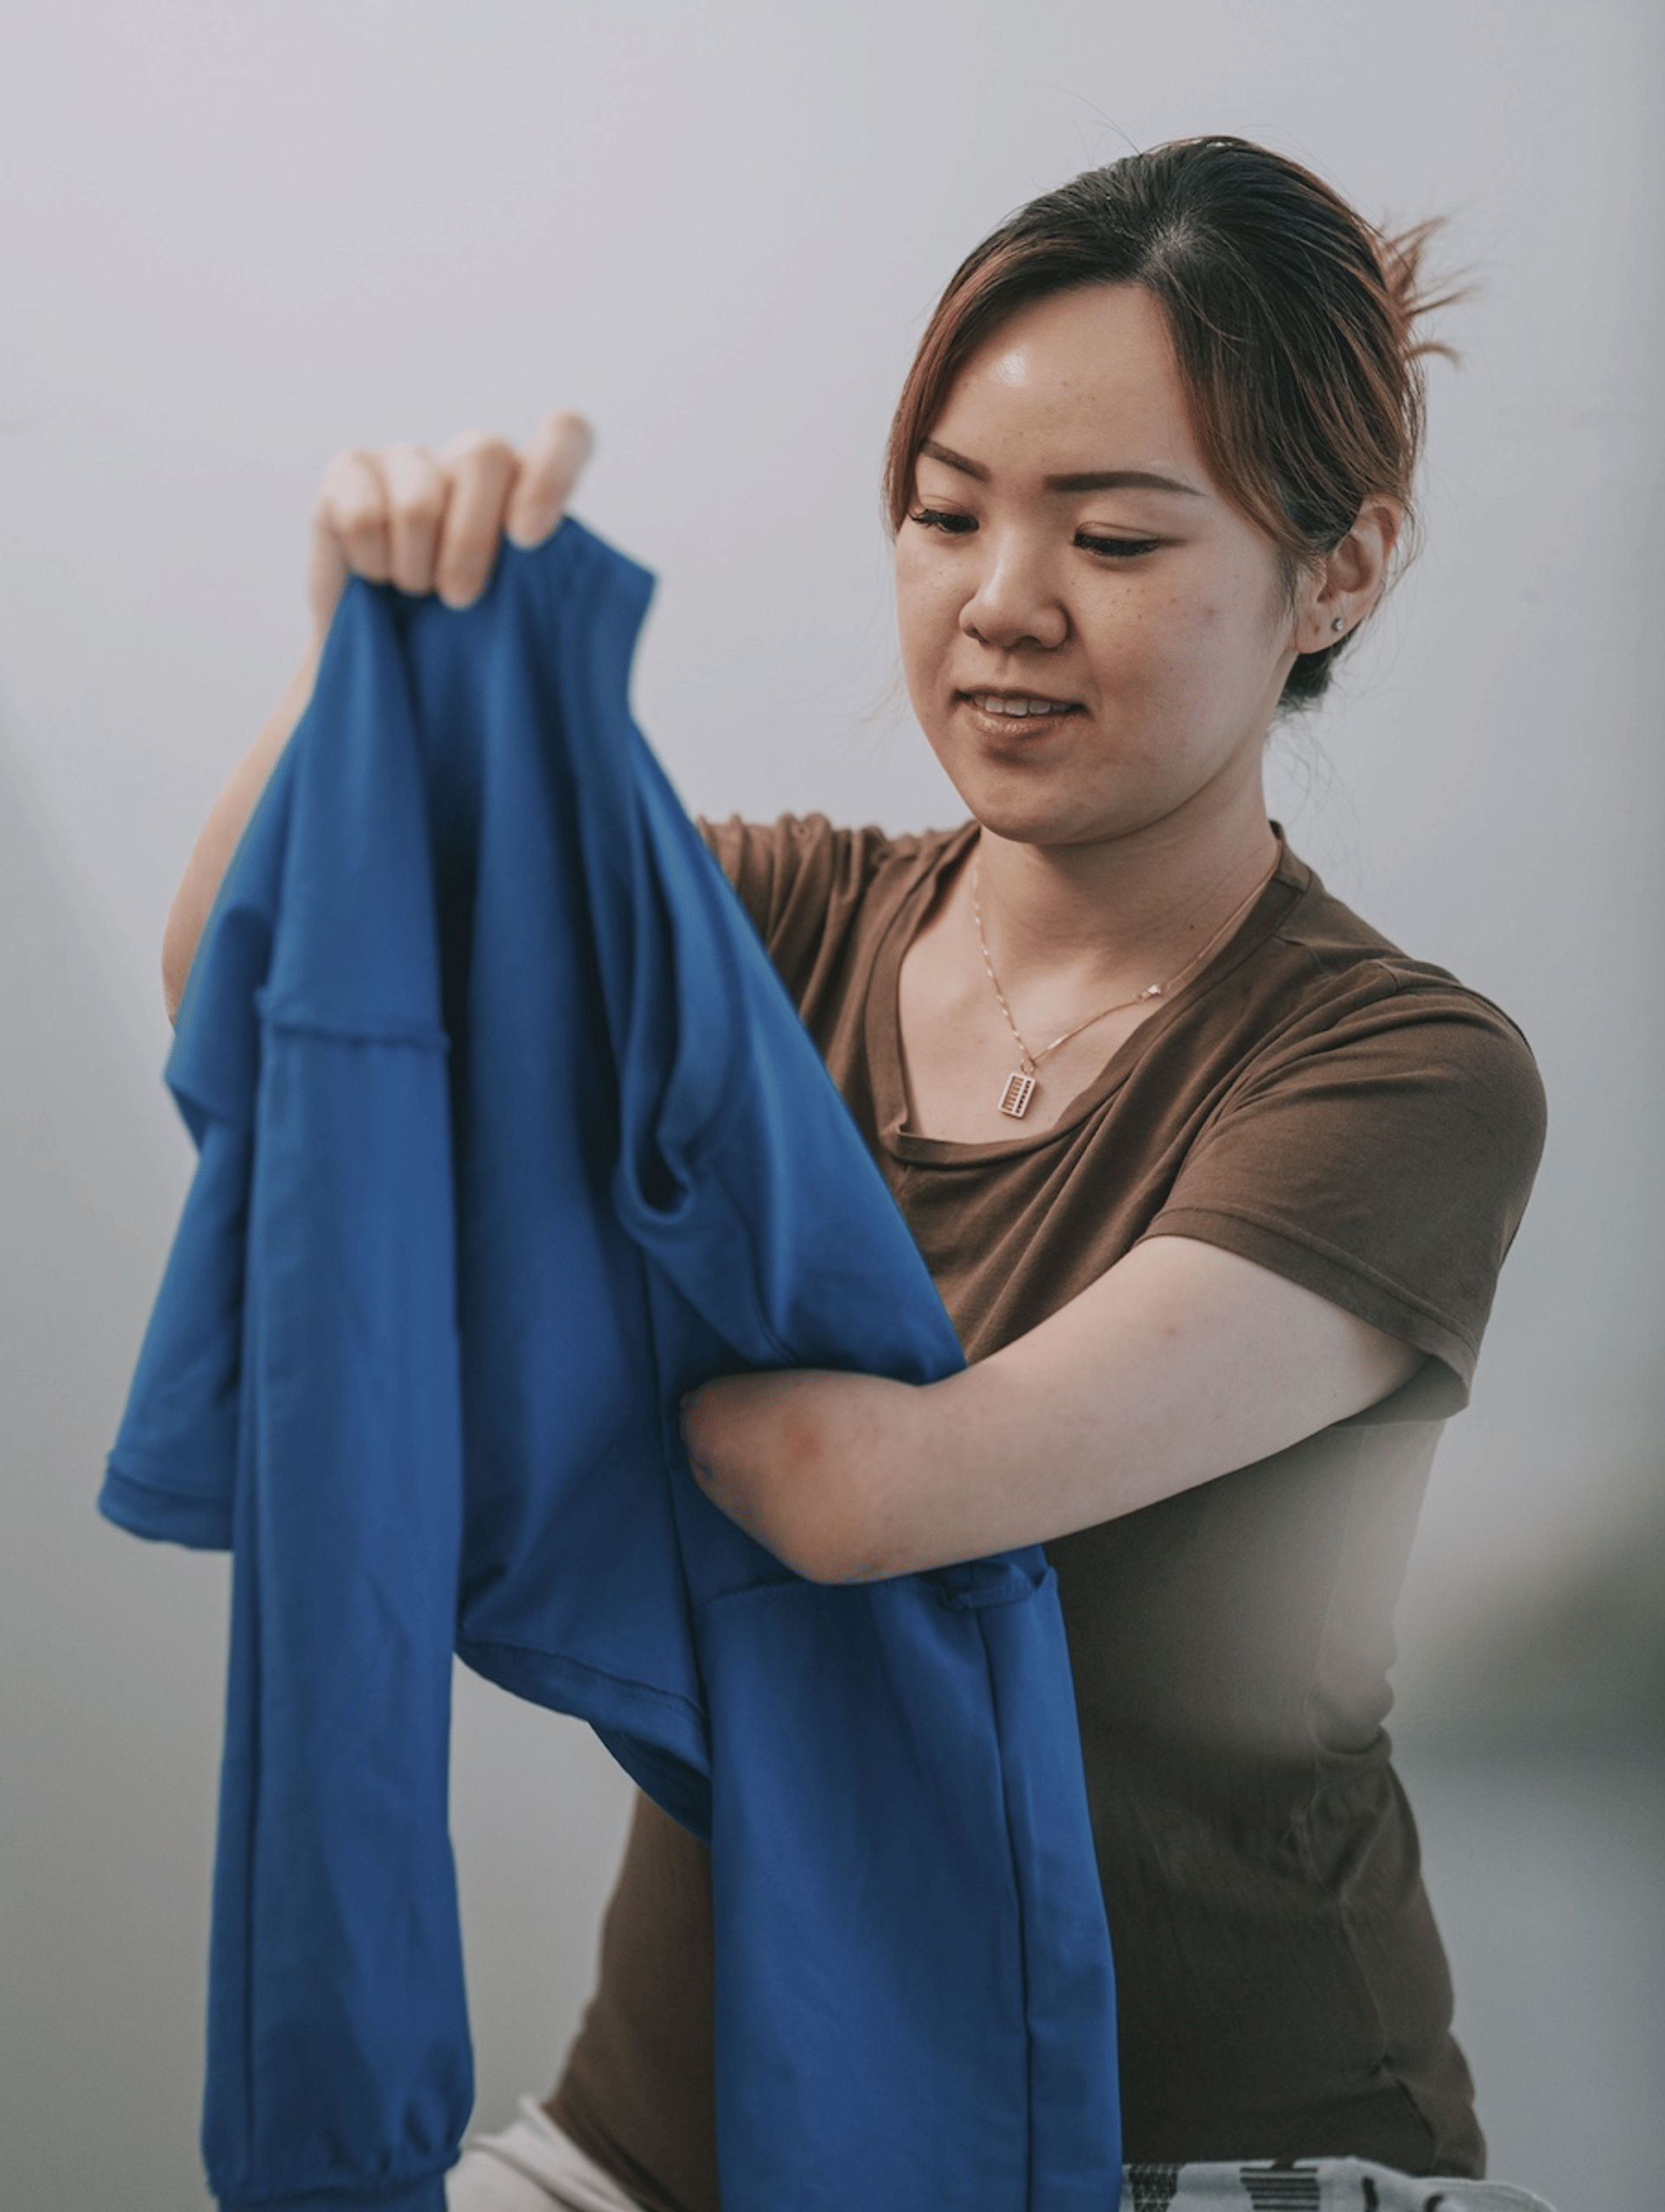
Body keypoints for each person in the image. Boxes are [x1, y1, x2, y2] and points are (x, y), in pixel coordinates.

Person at [160, 137, 1547, 2212]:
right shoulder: (774, 928)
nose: (1004, 603)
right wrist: (358, 651)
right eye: (946, 514)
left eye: (1116, 534)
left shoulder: (1402, 1073)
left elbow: (870, 1489)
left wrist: (550, 1356)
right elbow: (261, 1004)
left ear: (1333, 571)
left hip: (1202, 2141)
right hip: (668, 2134)